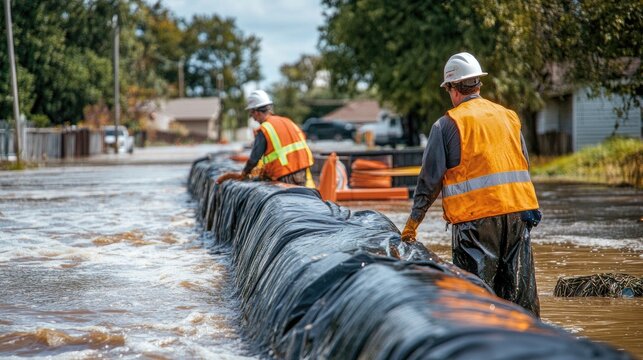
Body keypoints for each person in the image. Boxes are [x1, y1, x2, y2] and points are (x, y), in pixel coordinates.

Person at [400, 52, 542, 317]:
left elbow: (430, 181)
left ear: (452, 89)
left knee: (476, 303)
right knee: (520, 302)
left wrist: (413, 224)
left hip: (475, 224)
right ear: (478, 84)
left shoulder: (446, 125)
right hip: (518, 215)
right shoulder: (509, 116)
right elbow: (523, 164)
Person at [217, 90, 314, 187]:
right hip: (302, 170)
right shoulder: (288, 121)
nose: (253, 118)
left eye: (252, 114)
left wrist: (244, 174)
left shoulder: (264, 129)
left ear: (257, 112)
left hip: (285, 173)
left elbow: (254, 159)